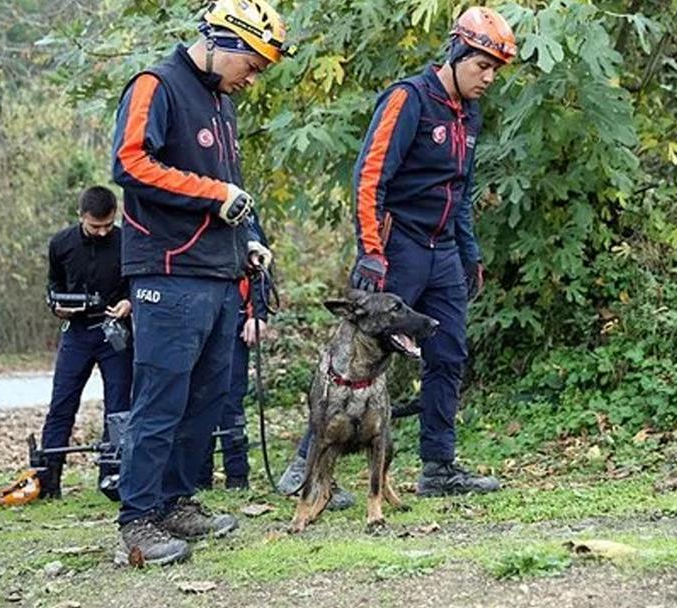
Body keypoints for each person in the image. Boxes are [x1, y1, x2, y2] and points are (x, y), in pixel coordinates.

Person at [278, 6, 516, 498]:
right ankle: (304, 467)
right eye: (481, 66)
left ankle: (438, 467)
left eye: (494, 69)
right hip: (397, 246)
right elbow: (369, 177)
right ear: (456, 53)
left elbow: (462, 189)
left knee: (448, 354)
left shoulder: (470, 114)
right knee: (358, 360)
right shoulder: (408, 99)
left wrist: (469, 254)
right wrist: (371, 251)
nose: (488, 78)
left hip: (444, 247)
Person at [110, 0, 289, 566]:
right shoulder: (154, 85)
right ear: (222, 42)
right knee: (160, 398)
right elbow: (131, 163)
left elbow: (228, 184)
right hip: (167, 271)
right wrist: (218, 198)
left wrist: (249, 238)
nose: (253, 78)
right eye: (253, 65)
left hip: (218, 269)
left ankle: (177, 501)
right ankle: (137, 519)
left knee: (205, 399)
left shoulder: (220, 103)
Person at [39, 185, 132, 500]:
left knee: (119, 407)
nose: (103, 232)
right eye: (96, 226)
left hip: (114, 332)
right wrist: (57, 306)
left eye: (108, 225)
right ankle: (47, 478)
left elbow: (139, 283)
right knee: (62, 404)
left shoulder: (126, 242)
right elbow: (53, 285)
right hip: (76, 332)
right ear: (81, 217)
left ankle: (113, 477)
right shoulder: (61, 244)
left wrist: (129, 303)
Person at [197, 211, 274, 491]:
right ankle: (198, 476)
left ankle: (237, 475)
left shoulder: (242, 210)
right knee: (198, 397)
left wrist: (258, 315)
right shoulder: (189, 204)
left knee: (231, 399)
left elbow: (260, 266)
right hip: (198, 312)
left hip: (237, 316)